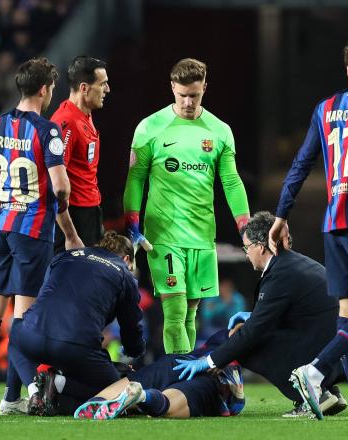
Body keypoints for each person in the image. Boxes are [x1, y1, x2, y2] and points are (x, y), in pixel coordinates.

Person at [268, 37, 348, 420]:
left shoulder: (325, 108)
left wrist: (281, 214)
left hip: (334, 224)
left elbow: (300, 163)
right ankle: (315, 371)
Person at [0, 57, 83, 415]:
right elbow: (61, 188)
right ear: (46, 89)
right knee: (25, 315)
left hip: (0, 226)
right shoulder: (47, 130)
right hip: (32, 231)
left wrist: (5, 195)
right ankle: (11, 397)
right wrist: (67, 227)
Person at [123, 58, 250, 355]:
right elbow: (136, 178)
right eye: (182, 95)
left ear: (205, 88)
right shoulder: (150, 128)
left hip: (201, 234)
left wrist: (245, 226)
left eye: (194, 95)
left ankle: (186, 388)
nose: (188, 102)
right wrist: (132, 224)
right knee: (175, 313)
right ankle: (180, 384)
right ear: (172, 88)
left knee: (191, 315)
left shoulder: (219, 131)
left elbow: (231, 182)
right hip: (162, 235)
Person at [171, 211, 343, 417]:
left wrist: (209, 361)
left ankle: (313, 394)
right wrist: (253, 316)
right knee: (251, 331)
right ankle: (329, 391)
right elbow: (297, 314)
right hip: (338, 351)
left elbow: (253, 333)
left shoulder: (279, 273)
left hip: (326, 348)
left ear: (261, 246)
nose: (246, 254)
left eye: (247, 247)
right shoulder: (291, 263)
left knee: (242, 339)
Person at [13, 231, 144, 416]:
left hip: (31, 335)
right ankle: (59, 385)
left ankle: (34, 391)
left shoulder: (65, 256)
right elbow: (131, 325)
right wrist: (134, 351)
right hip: (75, 346)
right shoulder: (123, 271)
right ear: (127, 258)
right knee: (118, 388)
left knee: (16, 336)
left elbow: (45, 295)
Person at [73, 330, 245, 420]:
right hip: (214, 379)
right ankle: (141, 397)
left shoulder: (227, 333)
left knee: (139, 378)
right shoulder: (248, 339)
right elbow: (248, 335)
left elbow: (238, 331)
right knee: (169, 401)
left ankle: (99, 401)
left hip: (182, 361)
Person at [50, 56, 110, 252]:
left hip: (90, 210)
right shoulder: (66, 123)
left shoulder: (85, 114)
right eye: (103, 84)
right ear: (84, 88)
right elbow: (55, 181)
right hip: (75, 216)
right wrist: (70, 234)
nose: (107, 90)